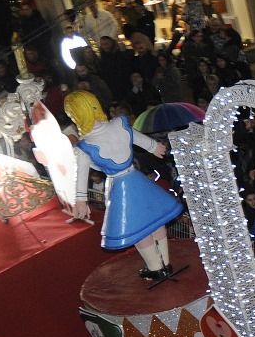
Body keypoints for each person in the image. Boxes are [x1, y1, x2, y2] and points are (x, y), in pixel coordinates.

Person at [66, 89, 182, 282]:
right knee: (155, 220)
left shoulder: (84, 147)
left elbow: (81, 175)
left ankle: (156, 268)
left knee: (139, 227)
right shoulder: (119, 124)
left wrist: (80, 200)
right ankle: (165, 263)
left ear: (76, 115)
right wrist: (154, 147)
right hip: (136, 178)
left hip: (119, 187)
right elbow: (140, 139)